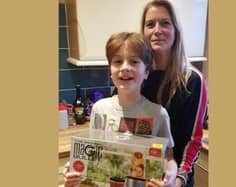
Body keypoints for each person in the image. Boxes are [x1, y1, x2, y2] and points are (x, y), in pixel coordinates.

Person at [64, 32, 178, 187]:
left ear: (146, 72)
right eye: (118, 61)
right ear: (110, 70)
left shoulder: (158, 114)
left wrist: (170, 177)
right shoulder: (99, 109)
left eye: (134, 61)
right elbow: (91, 156)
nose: (125, 67)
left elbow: (169, 158)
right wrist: (75, 171)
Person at [140, 1, 208, 187]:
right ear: (143, 31)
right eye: (150, 24)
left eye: (165, 23)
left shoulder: (193, 81)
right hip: (140, 176)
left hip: (176, 180)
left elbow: (193, 141)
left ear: (176, 30)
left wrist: (176, 181)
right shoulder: (138, 76)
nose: (157, 30)